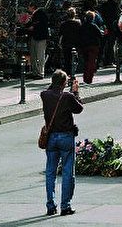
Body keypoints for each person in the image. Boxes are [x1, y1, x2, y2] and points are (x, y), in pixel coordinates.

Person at [41, 69, 83, 216]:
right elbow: (79, 109)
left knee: (50, 172)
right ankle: (65, 206)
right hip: (66, 137)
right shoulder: (67, 97)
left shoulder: (44, 95)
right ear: (64, 83)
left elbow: (49, 90)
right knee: (67, 172)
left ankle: (50, 205)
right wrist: (75, 92)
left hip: (51, 138)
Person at [26, 1, 50, 78]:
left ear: (32, 7)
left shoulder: (41, 13)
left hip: (40, 37)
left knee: (39, 55)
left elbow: (40, 24)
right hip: (35, 37)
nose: (28, 9)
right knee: (34, 56)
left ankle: (40, 73)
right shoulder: (35, 14)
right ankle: (35, 72)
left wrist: (33, 26)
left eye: (29, 7)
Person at [78, 11, 102, 84]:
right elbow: (100, 35)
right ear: (93, 18)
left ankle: (85, 77)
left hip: (84, 46)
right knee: (91, 63)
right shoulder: (93, 26)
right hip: (93, 46)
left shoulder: (82, 26)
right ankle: (89, 78)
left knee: (86, 62)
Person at [98, 0, 120, 67]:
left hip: (105, 27)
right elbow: (117, 16)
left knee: (103, 44)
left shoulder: (103, 5)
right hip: (112, 27)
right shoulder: (115, 5)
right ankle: (109, 61)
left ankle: (100, 61)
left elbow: (101, 15)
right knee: (111, 45)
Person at [58, 8, 81, 76]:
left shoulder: (63, 24)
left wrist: (60, 44)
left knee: (67, 60)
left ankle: (68, 74)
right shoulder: (78, 23)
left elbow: (60, 35)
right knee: (75, 59)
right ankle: (73, 73)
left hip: (66, 43)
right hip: (75, 43)